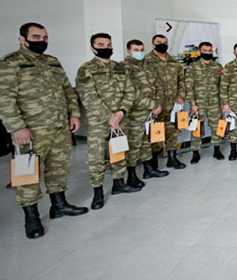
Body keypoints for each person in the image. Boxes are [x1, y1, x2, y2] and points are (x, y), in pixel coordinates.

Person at [0, 22, 88, 239]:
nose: (42, 41)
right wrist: (17, 127)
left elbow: (67, 91)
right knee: (27, 175)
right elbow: (3, 100)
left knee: (59, 168)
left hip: (60, 127)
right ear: (22, 39)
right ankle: (31, 217)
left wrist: (74, 114)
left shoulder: (52, 62)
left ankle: (59, 205)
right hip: (30, 132)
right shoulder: (8, 65)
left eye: (44, 37)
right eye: (36, 37)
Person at [76, 33, 140, 210]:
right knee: (96, 157)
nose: (106, 48)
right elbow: (88, 97)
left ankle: (119, 183)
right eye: (101, 45)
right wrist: (109, 117)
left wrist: (121, 112)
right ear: (93, 48)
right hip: (98, 122)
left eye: (109, 45)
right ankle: (97, 192)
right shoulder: (86, 69)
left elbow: (130, 91)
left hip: (120, 119)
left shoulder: (120, 68)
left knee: (118, 152)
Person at [123, 40, 169, 185]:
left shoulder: (147, 66)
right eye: (136, 50)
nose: (139, 52)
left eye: (141, 49)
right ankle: (131, 175)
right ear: (129, 51)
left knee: (146, 142)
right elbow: (131, 92)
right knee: (134, 143)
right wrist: (152, 105)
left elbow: (158, 86)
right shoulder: (124, 67)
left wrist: (158, 104)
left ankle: (149, 169)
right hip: (135, 112)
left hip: (151, 112)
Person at [143, 34, 187, 169]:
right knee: (154, 133)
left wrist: (181, 96)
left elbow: (182, 80)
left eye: (165, 42)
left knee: (172, 131)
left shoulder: (174, 61)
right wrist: (151, 103)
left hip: (172, 104)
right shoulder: (146, 61)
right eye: (159, 42)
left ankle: (172, 158)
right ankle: (154, 162)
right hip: (155, 105)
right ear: (153, 44)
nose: (163, 44)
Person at [187, 41, 225, 162]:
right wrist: (192, 103)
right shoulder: (193, 67)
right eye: (205, 51)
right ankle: (195, 152)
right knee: (196, 127)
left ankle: (217, 149)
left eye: (210, 51)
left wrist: (223, 102)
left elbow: (222, 86)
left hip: (214, 102)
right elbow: (189, 86)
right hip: (199, 103)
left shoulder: (218, 67)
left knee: (216, 126)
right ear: (199, 52)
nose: (208, 53)